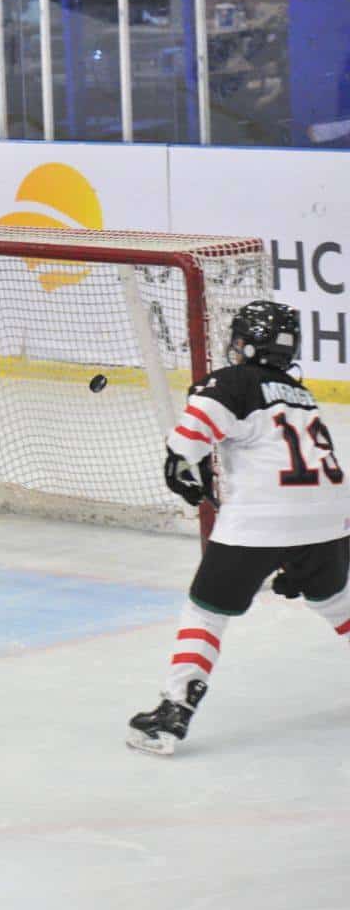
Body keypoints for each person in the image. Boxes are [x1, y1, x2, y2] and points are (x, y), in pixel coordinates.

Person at [129, 301, 350, 755]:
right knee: (336, 601)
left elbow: (186, 445)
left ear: (244, 344)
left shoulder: (232, 381)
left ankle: (174, 710)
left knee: (206, 612)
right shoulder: (301, 395)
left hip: (260, 519)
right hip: (331, 517)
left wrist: (182, 468)